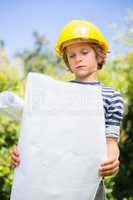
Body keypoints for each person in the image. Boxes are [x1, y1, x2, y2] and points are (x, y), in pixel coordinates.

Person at [0, 20, 124, 199]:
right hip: (51, 182)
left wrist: (112, 160)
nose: (78, 58)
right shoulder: (55, 94)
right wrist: (23, 152)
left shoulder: (112, 97)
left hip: (89, 185)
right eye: (71, 55)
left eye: (84, 52)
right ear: (67, 61)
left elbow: (111, 142)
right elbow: (40, 136)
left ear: (99, 56)